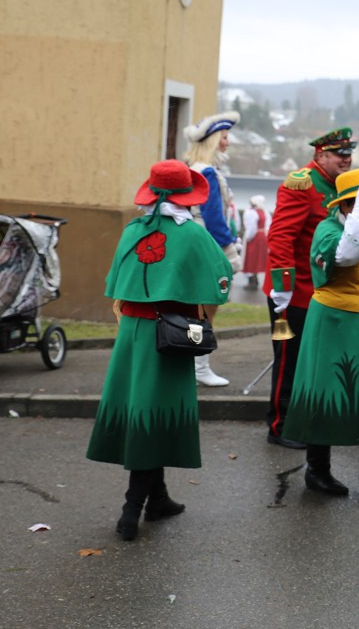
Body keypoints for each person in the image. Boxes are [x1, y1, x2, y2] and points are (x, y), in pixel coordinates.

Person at [86, 159, 233, 541]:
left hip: (132, 334)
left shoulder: (133, 230)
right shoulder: (194, 234)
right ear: (187, 196)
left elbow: (114, 281)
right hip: (170, 334)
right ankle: (130, 510)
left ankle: (159, 499)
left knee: (147, 412)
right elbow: (221, 281)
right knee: (155, 418)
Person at [280, 168, 359, 500]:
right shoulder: (327, 229)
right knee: (326, 391)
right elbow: (345, 255)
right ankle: (317, 471)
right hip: (334, 322)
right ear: (350, 204)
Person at [263, 128, 353, 449]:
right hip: (291, 293)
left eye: (348, 153)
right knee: (288, 360)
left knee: (311, 360)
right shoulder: (301, 183)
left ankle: (303, 419)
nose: (346, 158)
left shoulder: (337, 186)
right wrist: (282, 287)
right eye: (338, 154)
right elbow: (280, 237)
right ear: (320, 155)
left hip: (318, 292)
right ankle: (280, 425)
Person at [183, 111, 241, 387]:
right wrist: (230, 250)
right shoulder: (206, 172)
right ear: (214, 141)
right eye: (225, 137)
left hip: (194, 247)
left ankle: (195, 362)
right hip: (208, 249)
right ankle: (199, 365)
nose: (228, 142)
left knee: (197, 309)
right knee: (205, 308)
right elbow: (215, 219)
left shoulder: (193, 169)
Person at [240, 194, 269, 289]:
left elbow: (252, 228)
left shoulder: (252, 213)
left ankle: (252, 281)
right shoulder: (264, 212)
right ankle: (254, 279)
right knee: (257, 259)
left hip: (255, 237)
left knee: (251, 259)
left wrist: (248, 238)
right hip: (262, 236)